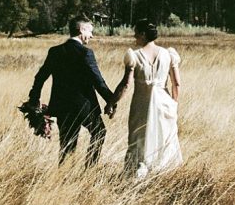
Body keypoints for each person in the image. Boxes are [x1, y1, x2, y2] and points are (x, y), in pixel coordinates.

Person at [27, 16, 116, 167]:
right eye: (90, 31)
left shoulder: (55, 51)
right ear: (81, 30)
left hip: (61, 106)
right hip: (84, 107)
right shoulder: (85, 53)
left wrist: (34, 98)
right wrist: (112, 100)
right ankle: (89, 169)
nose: (92, 35)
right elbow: (98, 81)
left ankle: (64, 176)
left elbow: (40, 77)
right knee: (99, 133)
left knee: (67, 144)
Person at [110, 19, 183, 178]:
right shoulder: (168, 54)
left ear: (143, 34)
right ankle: (163, 175)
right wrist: (173, 103)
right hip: (164, 103)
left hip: (142, 104)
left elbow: (126, 84)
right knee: (164, 138)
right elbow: (176, 83)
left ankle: (137, 175)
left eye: (136, 32)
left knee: (139, 137)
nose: (134, 36)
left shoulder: (134, 56)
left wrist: (112, 102)